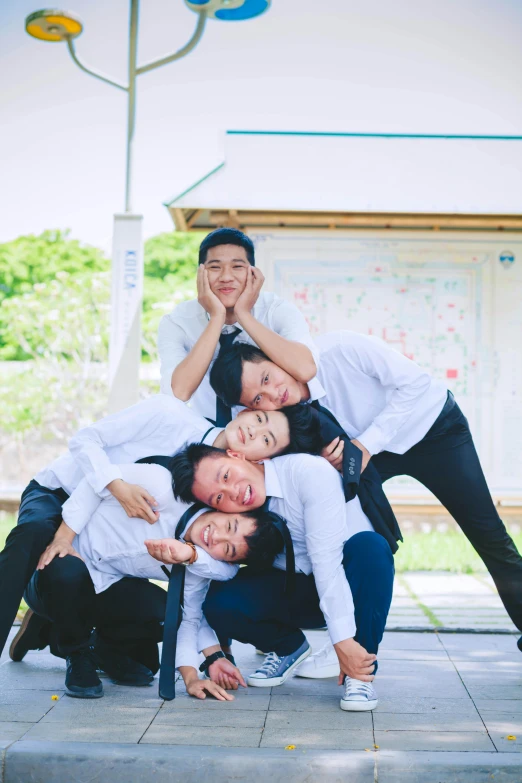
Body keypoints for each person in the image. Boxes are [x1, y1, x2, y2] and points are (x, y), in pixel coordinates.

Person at [209, 332, 522, 663]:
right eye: (258, 400)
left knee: (490, 535)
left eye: (267, 378)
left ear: (273, 357)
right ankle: (314, 636)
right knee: (342, 531)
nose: (273, 394)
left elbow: (416, 384)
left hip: (434, 430)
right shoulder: (280, 416)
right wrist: (332, 463)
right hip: (365, 455)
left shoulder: (343, 351)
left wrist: (366, 445)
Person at [1, 392, 320, 660]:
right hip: (62, 490)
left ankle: (55, 624)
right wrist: (114, 484)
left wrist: (212, 657)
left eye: (266, 440)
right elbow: (86, 439)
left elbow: (212, 568)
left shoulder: (223, 498)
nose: (254, 433)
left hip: (101, 550)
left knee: (147, 648)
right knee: (32, 538)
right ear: (249, 409)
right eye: (260, 420)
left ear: (261, 460)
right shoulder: (170, 414)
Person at [24, 460, 283, 699]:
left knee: (158, 633)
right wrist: (63, 538)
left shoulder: (198, 561)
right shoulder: (162, 485)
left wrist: (193, 677)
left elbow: (190, 617)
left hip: (103, 586)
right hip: (54, 568)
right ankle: (76, 652)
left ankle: (63, 632)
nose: (216, 538)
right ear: (227, 509)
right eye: (229, 527)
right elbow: (96, 480)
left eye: (227, 549)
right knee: (66, 574)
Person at [170, 443, 395, 712]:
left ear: (236, 454)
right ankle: (289, 648)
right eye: (218, 498)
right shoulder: (233, 516)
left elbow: (327, 564)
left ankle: (360, 673)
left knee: (371, 547)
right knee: (219, 602)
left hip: (350, 582)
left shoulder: (307, 472)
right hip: (296, 589)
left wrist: (342, 642)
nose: (233, 493)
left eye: (226, 476)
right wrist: (215, 655)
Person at [157, 227, 319, 424]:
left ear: (253, 273)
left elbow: (305, 369)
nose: (226, 277)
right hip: (206, 433)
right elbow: (178, 393)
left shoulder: (277, 310)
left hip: (271, 431)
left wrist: (243, 314)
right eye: (215, 267)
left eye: (237, 267)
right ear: (201, 274)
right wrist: (217, 318)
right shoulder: (177, 323)